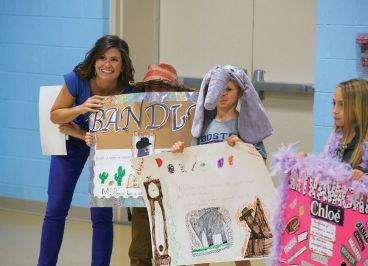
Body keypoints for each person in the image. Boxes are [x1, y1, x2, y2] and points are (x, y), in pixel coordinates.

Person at [37, 35, 135, 266]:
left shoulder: (128, 90)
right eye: (102, 57)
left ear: (123, 65)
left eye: (114, 59)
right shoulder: (77, 80)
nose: (107, 64)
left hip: (107, 150)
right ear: (94, 59)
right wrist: (81, 110)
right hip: (72, 144)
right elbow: (55, 114)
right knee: (56, 207)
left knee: (102, 214)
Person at [85, 63, 194, 266]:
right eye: (151, 87)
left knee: (173, 248)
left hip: (176, 189)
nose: (156, 92)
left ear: (174, 90)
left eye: (162, 87)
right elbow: (114, 137)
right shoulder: (135, 111)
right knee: (139, 249)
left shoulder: (187, 114)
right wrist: (96, 140)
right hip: (142, 189)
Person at [171, 65, 273, 266]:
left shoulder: (245, 125)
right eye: (217, 90)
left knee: (241, 255)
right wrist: (181, 151)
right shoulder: (203, 126)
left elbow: (261, 160)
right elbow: (193, 162)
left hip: (237, 198)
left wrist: (243, 148)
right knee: (202, 253)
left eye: (228, 89)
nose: (221, 95)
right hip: (206, 198)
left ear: (240, 92)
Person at [320, 78, 368, 179]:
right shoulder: (336, 138)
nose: (335, 110)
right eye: (334, 103)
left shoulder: (365, 144)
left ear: (359, 107)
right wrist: (305, 160)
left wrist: (363, 177)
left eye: (342, 105)